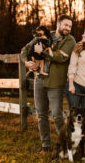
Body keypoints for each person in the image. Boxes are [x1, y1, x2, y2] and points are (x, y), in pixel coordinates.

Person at [20, 15, 76, 153]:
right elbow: (24, 50)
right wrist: (26, 62)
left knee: (57, 115)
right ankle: (46, 146)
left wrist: (43, 52)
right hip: (39, 79)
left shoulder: (70, 40)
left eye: (70, 26)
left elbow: (61, 57)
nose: (68, 28)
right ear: (58, 24)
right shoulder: (43, 35)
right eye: (65, 25)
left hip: (56, 82)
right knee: (41, 115)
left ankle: (64, 146)